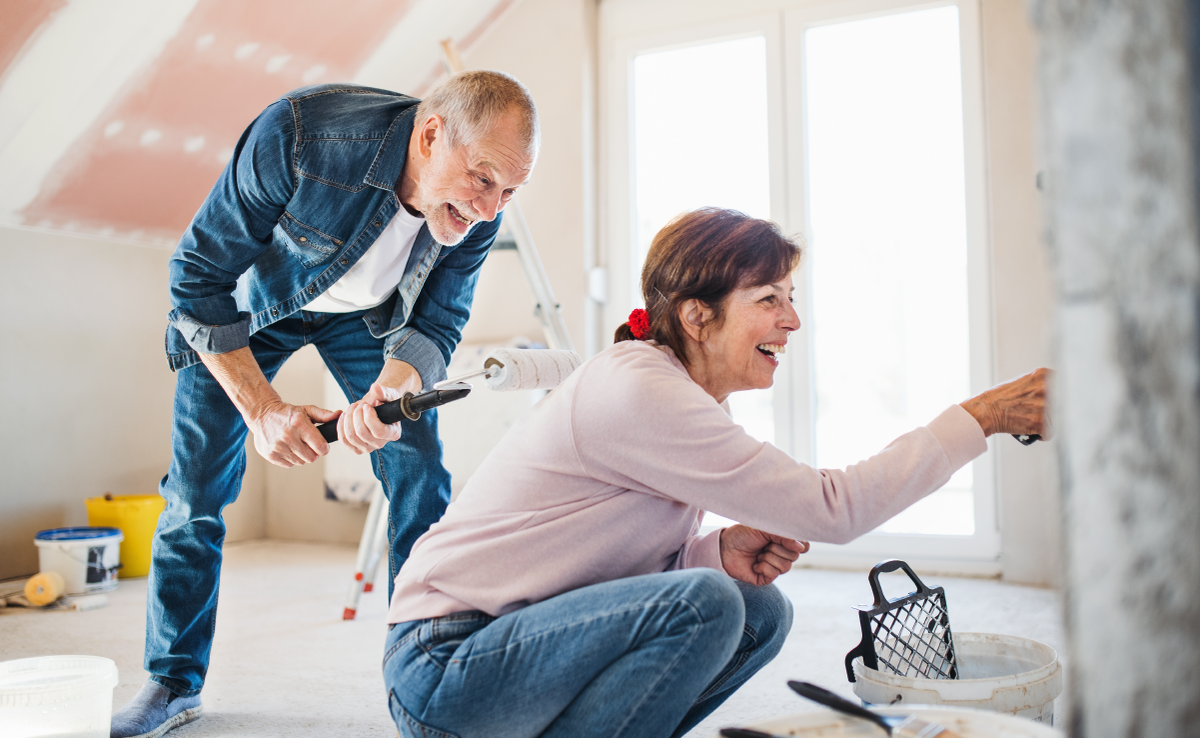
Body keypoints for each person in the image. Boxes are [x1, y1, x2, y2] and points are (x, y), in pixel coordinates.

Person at [380, 207, 1049, 738]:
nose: (790, 320)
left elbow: (588, 570)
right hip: (446, 666)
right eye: (768, 299)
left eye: (789, 296)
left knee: (758, 609)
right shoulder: (640, 390)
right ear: (697, 317)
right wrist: (981, 416)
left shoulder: (679, 395)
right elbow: (833, 509)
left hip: (506, 648)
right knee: (707, 603)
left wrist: (711, 549)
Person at [110, 72, 539, 738]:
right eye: (483, 179)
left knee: (419, 470)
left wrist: (390, 390)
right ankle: (172, 681)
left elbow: (439, 320)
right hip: (248, 309)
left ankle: (425, 672)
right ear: (431, 135)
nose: (490, 208)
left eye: (510, 190)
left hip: (363, 321)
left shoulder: (483, 210)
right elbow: (195, 279)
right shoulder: (301, 137)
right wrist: (262, 410)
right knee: (194, 494)